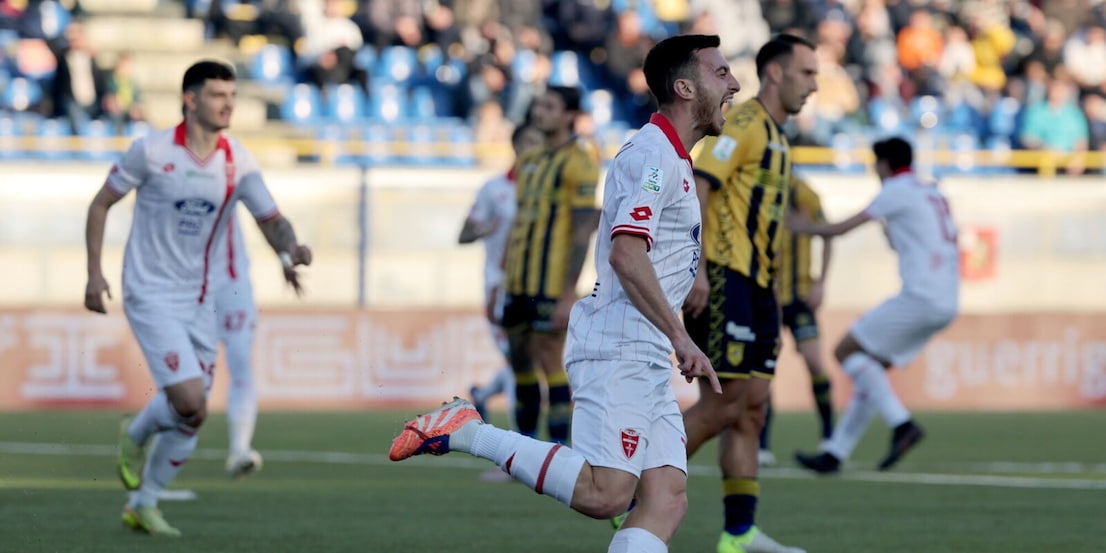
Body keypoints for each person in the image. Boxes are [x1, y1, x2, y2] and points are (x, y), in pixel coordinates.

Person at [389, 34, 734, 553]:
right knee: (606, 494)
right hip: (622, 346)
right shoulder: (654, 156)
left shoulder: (673, 158)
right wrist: (680, 336)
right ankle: (468, 430)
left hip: (645, 350)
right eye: (721, 73)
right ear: (685, 87)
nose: (734, 83)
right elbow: (626, 253)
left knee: (666, 499)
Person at [83, 59, 312, 536]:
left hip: (200, 299)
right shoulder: (151, 152)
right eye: (217, 95)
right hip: (148, 292)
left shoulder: (237, 161)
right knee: (189, 399)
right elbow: (101, 203)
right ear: (190, 100)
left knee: (194, 413)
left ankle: (143, 503)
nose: (228, 103)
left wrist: (290, 250)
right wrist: (93, 274)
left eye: (232, 95)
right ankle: (136, 435)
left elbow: (271, 220)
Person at [680, 34, 818, 553]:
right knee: (726, 401)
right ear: (777, 73)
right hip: (725, 276)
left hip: (759, 287)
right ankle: (632, 491)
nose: (815, 85)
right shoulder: (743, 123)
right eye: (807, 73)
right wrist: (697, 270)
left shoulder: (779, 136)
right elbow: (702, 183)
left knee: (753, 408)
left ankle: (740, 535)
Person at [792, 137, 959, 474]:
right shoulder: (930, 190)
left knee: (844, 351)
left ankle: (902, 424)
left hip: (921, 296)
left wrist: (802, 228)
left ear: (883, 164)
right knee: (871, 370)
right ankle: (835, 453)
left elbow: (840, 229)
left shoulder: (895, 190)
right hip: (947, 298)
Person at [499, 85, 599, 444]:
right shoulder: (528, 161)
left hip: (551, 282)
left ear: (569, 115)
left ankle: (558, 450)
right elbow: (520, 220)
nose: (540, 113)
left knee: (549, 358)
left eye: (549, 107)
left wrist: (568, 292)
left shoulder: (580, 161)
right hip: (518, 281)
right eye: (539, 106)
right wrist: (503, 273)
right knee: (519, 359)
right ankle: (525, 448)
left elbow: (583, 228)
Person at [460, 123, 544, 481]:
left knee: (531, 364)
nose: (534, 150)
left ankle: (483, 392)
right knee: (519, 366)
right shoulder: (495, 190)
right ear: (515, 146)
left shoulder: (552, 191)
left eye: (539, 143)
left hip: (542, 289)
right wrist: (483, 229)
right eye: (527, 143)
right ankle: (518, 460)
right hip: (502, 289)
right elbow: (464, 232)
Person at [758, 175, 835, 467]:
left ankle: (829, 436)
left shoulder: (805, 193)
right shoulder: (757, 187)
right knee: (765, 369)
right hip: (767, 297)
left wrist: (822, 282)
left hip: (800, 296)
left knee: (815, 362)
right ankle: (763, 444)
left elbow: (827, 233)